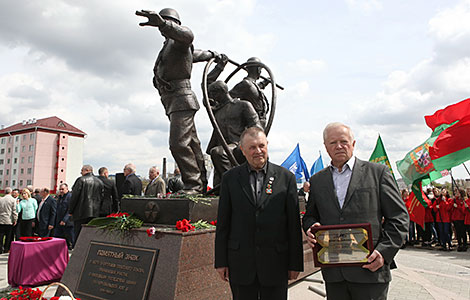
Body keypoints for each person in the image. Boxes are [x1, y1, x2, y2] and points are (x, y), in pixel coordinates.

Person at [303, 122, 409, 300]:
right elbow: (310, 215)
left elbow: (399, 218)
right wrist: (311, 226)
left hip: (370, 270)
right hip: (334, 273)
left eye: (343, 141)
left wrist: (384, 252)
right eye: (333, 142)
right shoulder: (317, 180)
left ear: (353, 144)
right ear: (326, 147)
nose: (338, 146)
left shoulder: (378, 173)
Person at [136, 8, 222, 194]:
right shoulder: (169, 46)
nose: (163, 26)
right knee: (192, 144)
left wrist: (163, 23)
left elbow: (188, 37)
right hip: (172, 101)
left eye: (168, 22)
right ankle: (200, 182)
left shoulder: (178, 41)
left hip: (182, 100)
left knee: (178, 144)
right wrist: (212, 54)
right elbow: (197, 54)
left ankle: (193, 185)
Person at [215, 127, 303, 300]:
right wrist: (221, 261)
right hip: (240, 264)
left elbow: (293, 225)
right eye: (252, 147)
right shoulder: (230, 178)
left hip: (276, 264)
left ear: (267, 145)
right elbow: (223, 223)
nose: (258, 151)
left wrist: (295, 264)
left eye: (261, 146)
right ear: (242, 150)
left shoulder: (286, 178)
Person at [205, 80, 261, 187]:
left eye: (212, 94)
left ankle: (235, 186)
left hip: (238, 146)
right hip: (225, 147)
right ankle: (228, 185)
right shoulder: (217, 112)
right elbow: (217, 132)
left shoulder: (243, 105)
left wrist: (244, 144)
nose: (211, 97)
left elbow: (256, 128)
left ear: (220, 92)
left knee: (218, 152)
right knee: (216, 152)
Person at [69, 165, 104, 244]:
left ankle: (77, 251)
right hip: (95, 212)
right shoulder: (99, 182)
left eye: (82, 170)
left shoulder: (80, 180)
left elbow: (74, 197)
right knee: (91, 234)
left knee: (78, 234)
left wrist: (70, 210)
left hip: (80, 211)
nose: (81, 172)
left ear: (87, 170)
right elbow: (102, 198)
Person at [54, 183, 74, 250]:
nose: (61, 191)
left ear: (67, 189)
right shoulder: (59, 197)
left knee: (70, 238)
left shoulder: (70, 197)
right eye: (60, 189)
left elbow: (70, 210)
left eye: (62, 189)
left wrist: (64, 220)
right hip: (59, 221)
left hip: (68, 222)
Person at [0, 187, 18, 253]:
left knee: (1, 235)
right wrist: (15, 219)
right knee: (8, 236)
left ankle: (0, 249)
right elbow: (14, 211)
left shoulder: (1, 199)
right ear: (11, 192)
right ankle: (6, 249)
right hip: (9, 220)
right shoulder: (13, 200)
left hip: (1, 219)